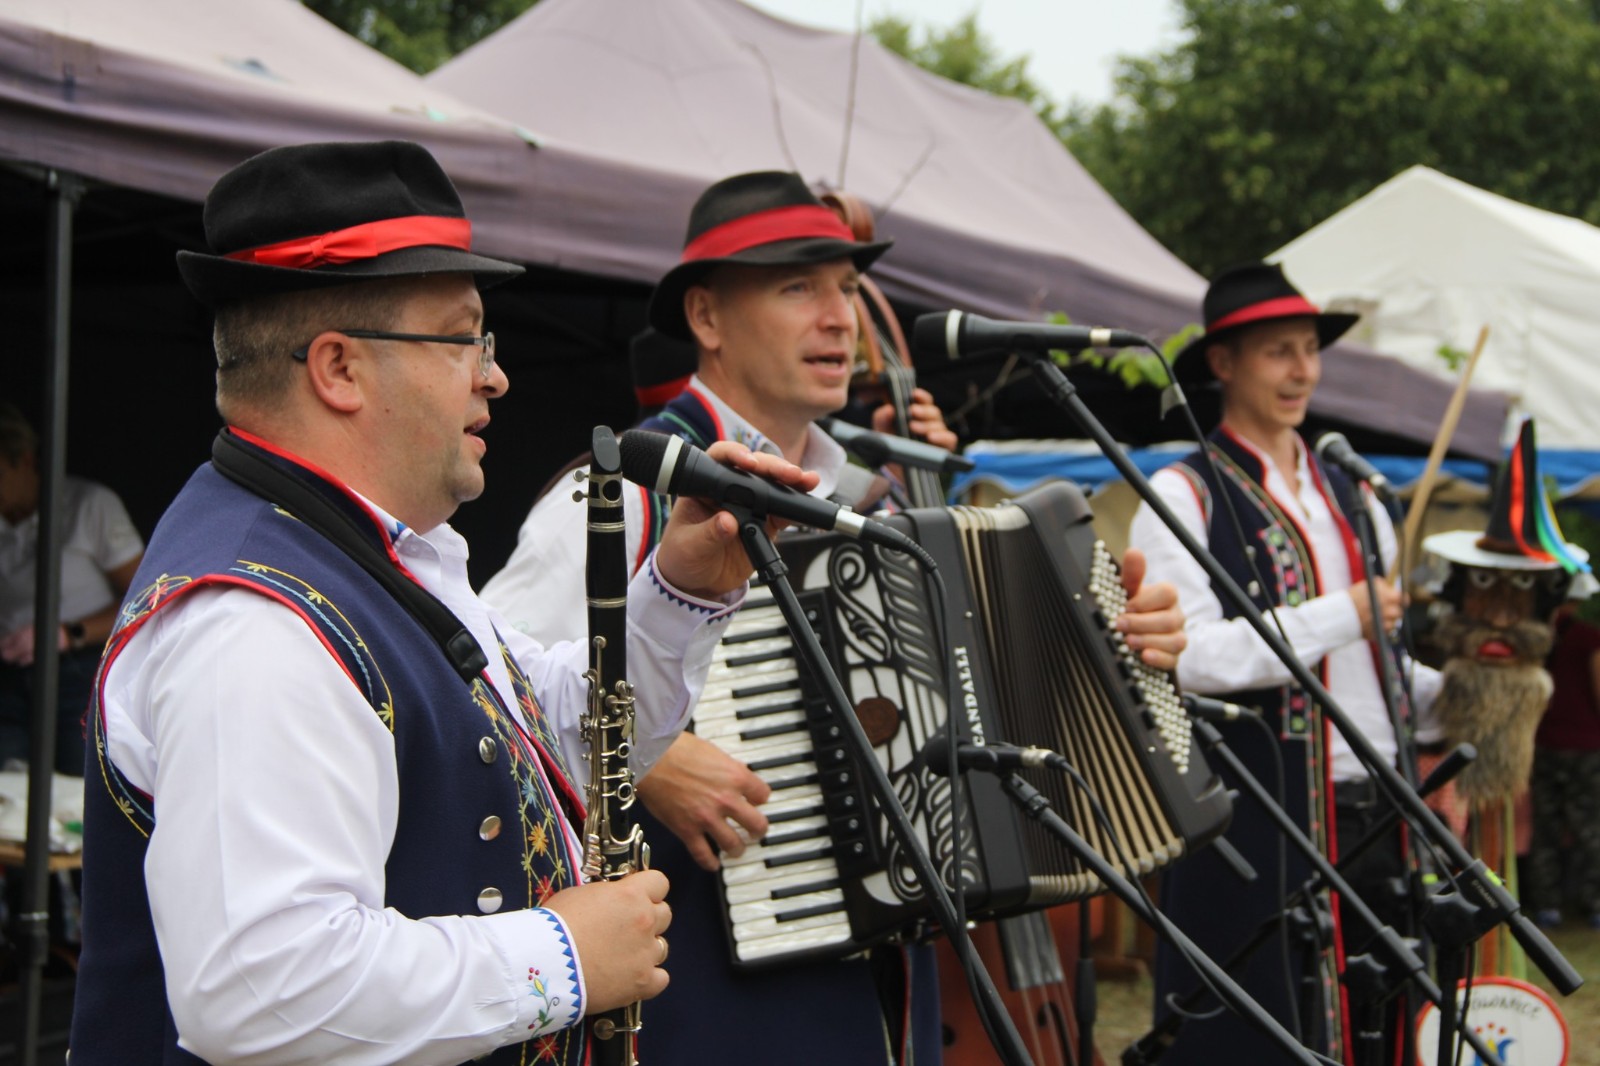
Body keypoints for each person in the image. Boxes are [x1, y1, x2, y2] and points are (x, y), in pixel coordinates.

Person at [67, 140, 815, 1066]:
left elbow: (559, 741)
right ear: (339, 369)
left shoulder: (373, 553)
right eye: (464, 339)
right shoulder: (255, 622)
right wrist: (564, 957)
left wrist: (683, 590)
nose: (494, 375)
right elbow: (258, 989)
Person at [483, 170, 1188, 1064]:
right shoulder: (621, 494)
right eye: (797, 288)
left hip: (885, 964)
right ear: (706, 317)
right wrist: (648, 759)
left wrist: (1113, 650)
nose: (839, 317)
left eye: (847, 288)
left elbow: (974, 692)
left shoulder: (871, 497)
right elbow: (489, 687)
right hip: (704, 975)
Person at [1127, 262, 1441, 1066]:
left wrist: (1475, 693)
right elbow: (1191, 657)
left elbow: (1384, 678)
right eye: (1279, 352)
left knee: (1384, 1022)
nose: (1303, 371)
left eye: (1310, 349)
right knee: (1263, 1031)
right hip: (1260, 815)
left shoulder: (1355, 496)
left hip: (1379, 812)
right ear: (1224, 363)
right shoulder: (1184, 492)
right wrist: (1344, 613)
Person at [0, 401, 144, 776]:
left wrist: (68, 633)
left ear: (24, 460)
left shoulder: (90, 506)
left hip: (79, 669)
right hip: (9, 673)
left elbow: (144, 598)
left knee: (75, 784)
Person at [1527, 602, 1600, 930]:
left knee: (1546, 826)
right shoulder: (1588, 633)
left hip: (1544, 742)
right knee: (1590, 826)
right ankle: (1594, 903)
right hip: (1586, 745)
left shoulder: (1541, 633)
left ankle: (1547, 904)